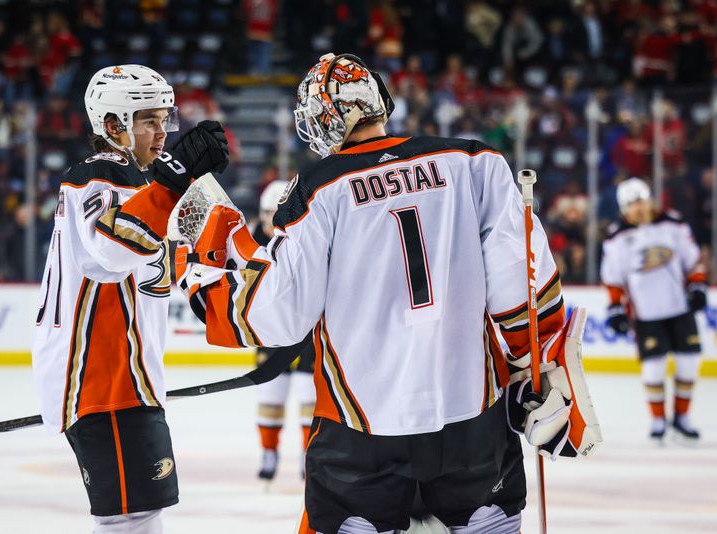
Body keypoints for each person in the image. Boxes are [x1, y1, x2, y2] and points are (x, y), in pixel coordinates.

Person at [175, 53, 599, 534]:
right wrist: (538, 368)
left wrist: (202, 278)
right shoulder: (475, 161)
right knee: (487, 521)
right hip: (471, 417)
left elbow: (279, 316)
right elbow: (524, 288)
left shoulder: (318, 189)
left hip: (364, 427)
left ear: (325, 118)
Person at [31, 64, 229, 533]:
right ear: (114, 124)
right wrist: (174, 182)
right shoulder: (100, 174)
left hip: (125, 379)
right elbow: (108, 251)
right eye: (148, 121)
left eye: (165, 120)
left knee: (138, 512)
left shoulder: (143, 183)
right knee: (131, 517)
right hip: (103, 377)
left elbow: (185, 255)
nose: (162, 133)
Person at [601, 177, 706, 441]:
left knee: (688, 364)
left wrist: (697, 287)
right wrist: (615, 307)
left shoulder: (673, 224)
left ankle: (682, 418)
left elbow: (692, 260)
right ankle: (658, 421)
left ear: (650, 200)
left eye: (641, 201)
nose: (638, 208)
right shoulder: (617, 237)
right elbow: (613, 278)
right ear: (624, 209)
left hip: (679, 307)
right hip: (646, 313)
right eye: (632, 204)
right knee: (654, 368)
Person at [253, 180, 316, 481]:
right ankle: (269, 451)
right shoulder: (252, 242)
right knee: (270, 396)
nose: (270, 222)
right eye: (267, 214)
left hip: (307, 333)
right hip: (272, 333)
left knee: (309, 398)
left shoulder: (305, 237)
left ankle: (308, 456)